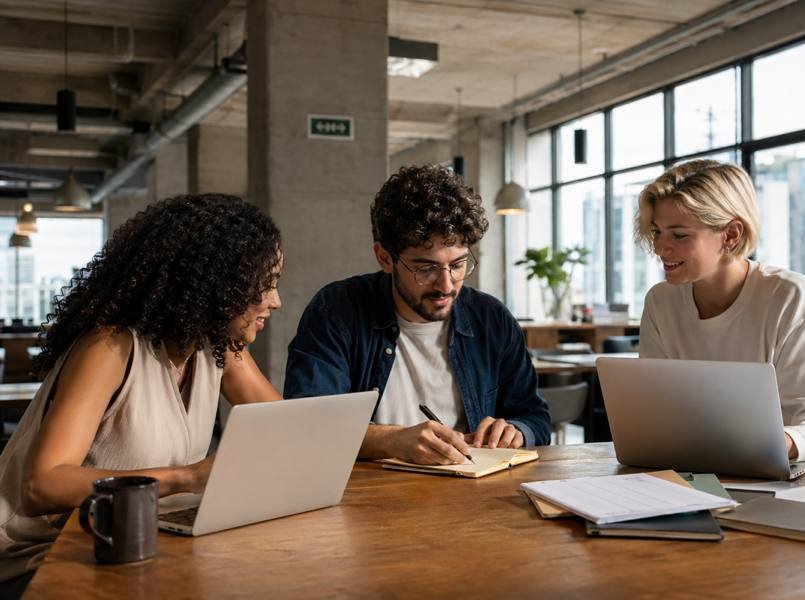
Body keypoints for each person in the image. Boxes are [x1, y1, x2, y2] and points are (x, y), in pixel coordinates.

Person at [0, 194, 283, 592]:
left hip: (125, 545)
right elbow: (42, 486)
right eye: (263, 285)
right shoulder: (110, 348)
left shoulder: (217, 347)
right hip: (36, 559)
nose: (275, 301)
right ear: (214, 283)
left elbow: (287, 430)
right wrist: (188, 477)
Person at [284, 165, 550, 465]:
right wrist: (391, 441)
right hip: (366, 498)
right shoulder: (336, 311)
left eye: (459, 264)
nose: (446, 285)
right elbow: (308, 423)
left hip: (473, 494)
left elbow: (535, 417)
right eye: (426, 268)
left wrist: (516, 430)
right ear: (385, 258)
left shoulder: (492, 319)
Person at [634, 159, 805, 462]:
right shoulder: (660, 302)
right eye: (657, 232)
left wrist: (777, 443)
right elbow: (655, 407)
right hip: (694, 469)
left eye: (679, 235)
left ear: (730, 235)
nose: (661, 248)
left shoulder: (791, 298)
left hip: (790, 481)